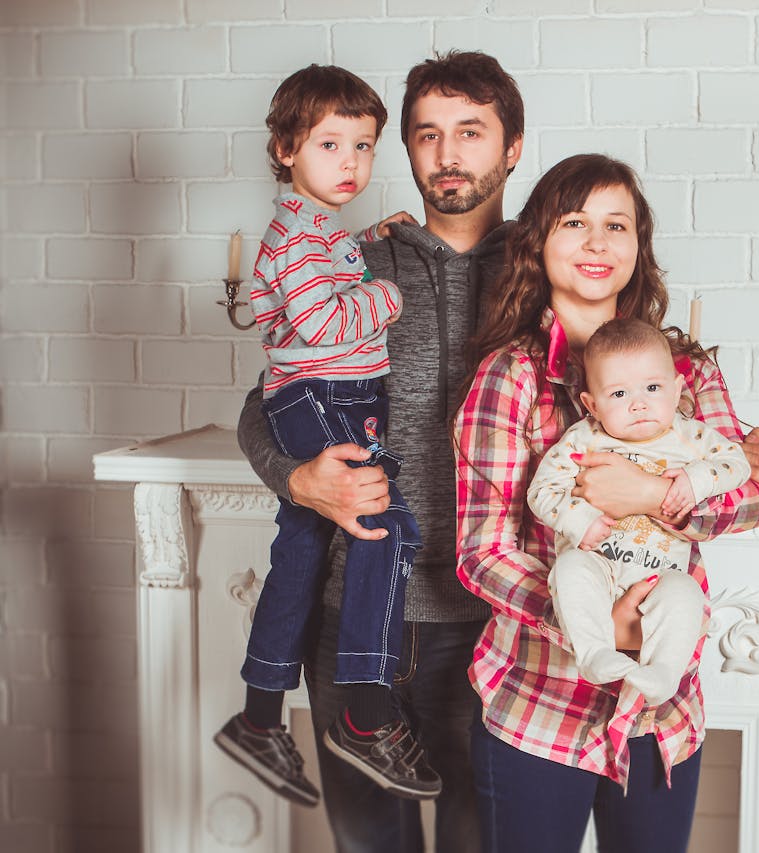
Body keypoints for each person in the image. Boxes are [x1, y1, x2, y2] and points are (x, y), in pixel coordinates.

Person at [454, 153, 759, 853]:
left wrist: (656, 494)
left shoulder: (685, 368)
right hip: (541, 701)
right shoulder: (509, 376)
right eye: (575, 223)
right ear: (539, 243)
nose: (598, 243)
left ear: (640, 246)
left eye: (617, 225)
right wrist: (595, 622)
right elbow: (481, 551)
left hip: (663, 711)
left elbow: (750, 497)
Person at [236, 51, 525, 853]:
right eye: (427, 134)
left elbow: (627, 384)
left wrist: (737, 439)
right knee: (370, 844)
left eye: (470, 132)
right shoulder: (354, 259)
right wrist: (298, 478)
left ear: (513, 147)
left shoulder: (548, 269)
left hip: (494, 621)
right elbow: (266, 405)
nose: (447, 153)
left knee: (483, 840)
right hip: (361, 615)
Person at [215, 63, 440, 806]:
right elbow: (323, 319)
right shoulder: (294, 237)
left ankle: (258, 715)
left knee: (304, 552)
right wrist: (389, 293)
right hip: (321, 398)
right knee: (384, 529)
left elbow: (326, 273)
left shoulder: (319, 230)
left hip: (326, 394)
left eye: (364, 147)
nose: (350, 163)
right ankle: (364, 714)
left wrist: (370, 241)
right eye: (330, 145)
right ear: (285, 148)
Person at [526, 317, 750, 705]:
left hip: (659, 575)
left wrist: (695, 480)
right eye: (618, 394)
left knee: (686, 594)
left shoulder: (690, 436)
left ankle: (663, 672)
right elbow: (542, 490)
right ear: (591, 405)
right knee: (570, 571)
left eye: (652, 387)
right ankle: (594, 652)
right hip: (599, 566)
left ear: (678, 389)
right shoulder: (583, 439)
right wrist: (579, 520)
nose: (639, 403)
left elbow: (738, 464)